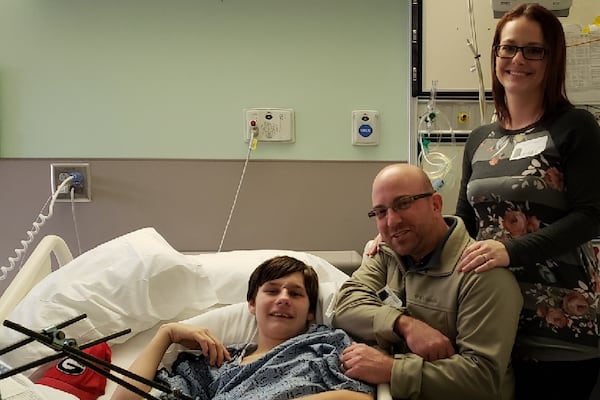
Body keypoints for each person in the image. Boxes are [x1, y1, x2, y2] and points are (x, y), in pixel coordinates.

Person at [454, 4, 600, 400]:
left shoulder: (575, 126)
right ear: (496, 53)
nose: (518, 59)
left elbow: (590, 216)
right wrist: (398, 240)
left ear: (553, 59)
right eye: (508, 48)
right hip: (491, 317)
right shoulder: (480, 139)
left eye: (534, 50)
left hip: (561, 317)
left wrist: (509, 250)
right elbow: (464, 221)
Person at [333, 163, 523, 400]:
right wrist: (404, 325)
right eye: (381, 212)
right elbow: (345, 307)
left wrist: (391, 369)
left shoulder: (482, 274)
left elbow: (482, 379)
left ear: (436, 204)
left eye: (403, 204)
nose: (392, 222)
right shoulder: (386, 255)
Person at [111, 255, 374, 400]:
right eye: (272, 291)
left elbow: (359, 399)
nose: (283, 298)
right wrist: (166, 333)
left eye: (295, 294)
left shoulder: (326, 345)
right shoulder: (218, 361)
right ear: (251, 304)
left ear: (310, 312)